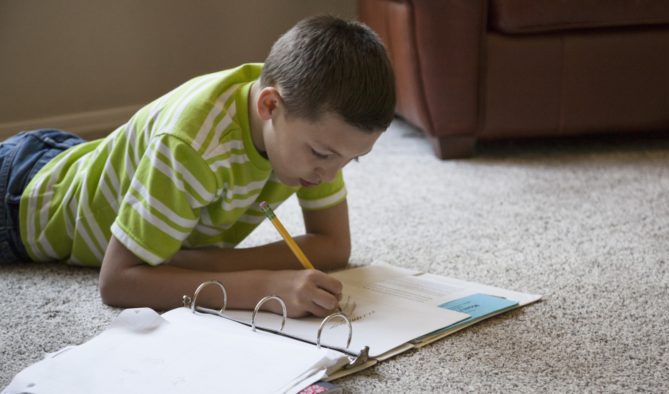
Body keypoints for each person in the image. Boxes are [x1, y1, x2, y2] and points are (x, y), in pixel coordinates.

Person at [0, 15, 396, 317]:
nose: (330, 172)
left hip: (72, 159)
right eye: (324, 155)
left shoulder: (313, 122)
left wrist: (210, 263)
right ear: (269, 106)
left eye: (351, 158)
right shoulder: (193, 146)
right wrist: (263, 286)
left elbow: (333, 247)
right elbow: (117, 282)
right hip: (23, 202)